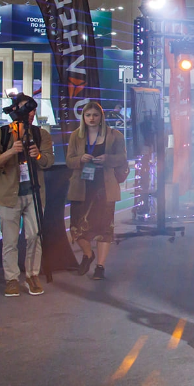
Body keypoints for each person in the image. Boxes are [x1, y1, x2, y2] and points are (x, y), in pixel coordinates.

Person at [0, 94, 54, 297]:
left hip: (34, 193)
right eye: (26, 109)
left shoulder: (41, 134)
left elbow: (48, 161)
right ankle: (12, 279)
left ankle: (32, 275)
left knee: (34, 236)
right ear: (15, 110)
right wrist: (11, 151)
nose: (30, 113)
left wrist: (38, 155)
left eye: (32, 109)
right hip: (8, 195)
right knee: (10, 240)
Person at [66, 101, 127, 281]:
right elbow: (69, 161)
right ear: (83, 117)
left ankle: (100, 266)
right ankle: (88, 254)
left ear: (101, 117)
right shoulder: (76, 136)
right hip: (82, 186)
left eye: (95, 115)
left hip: (104, 186)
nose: (91, 118)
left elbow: (122, 158)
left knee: (104, 229)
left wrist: (108, 158)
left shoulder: (115, 135)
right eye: (88, 115)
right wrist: (80, 159)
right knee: (76, 228)